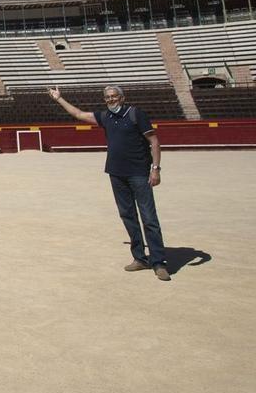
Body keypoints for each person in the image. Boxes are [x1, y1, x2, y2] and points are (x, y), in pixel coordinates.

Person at [48, 84, 171, 282]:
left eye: (114, 96)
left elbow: (154, 141)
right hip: (116, 173)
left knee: (149, 218)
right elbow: (79, 114)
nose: (111, 100)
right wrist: (59, 98)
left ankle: (159, 263)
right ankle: (140, 258)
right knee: (128, 216)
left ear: (122, 98)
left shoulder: (135, 114)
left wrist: (155, 169)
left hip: (139, 173)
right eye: (107, 97)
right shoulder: (106, 117)